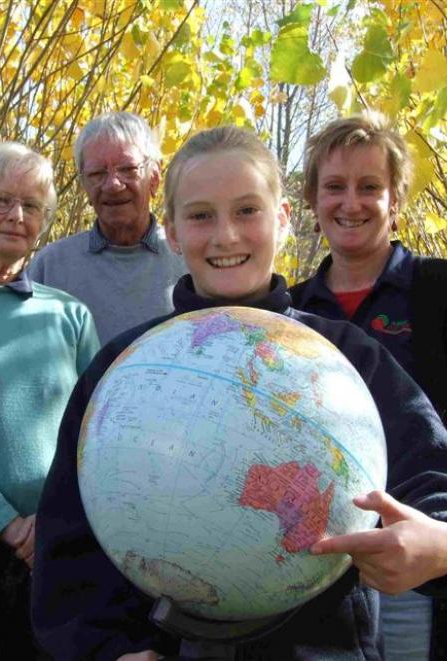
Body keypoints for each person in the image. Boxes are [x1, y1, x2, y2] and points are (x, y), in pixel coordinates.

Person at [32, 126, 447, 661]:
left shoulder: (346, 356)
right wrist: (108, 649)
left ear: (282, 220)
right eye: (201, 215)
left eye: (247, 210)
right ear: (174, 233)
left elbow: (430, 471)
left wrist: (437, 543)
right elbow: (68, 549)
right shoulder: (122, 369)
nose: (226, 236)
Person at [289, 110, 447, 661]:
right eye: (334, 187)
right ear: (312, 199)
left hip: (417, 569)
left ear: (395, 199)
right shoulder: (290, 311)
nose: (350, 203)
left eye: (369, 187)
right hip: (311, 565)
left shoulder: (436, 291)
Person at [0, 142, 100, 660]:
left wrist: (53, 524)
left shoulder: (71, 316)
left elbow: (97, 430)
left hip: (52, 546)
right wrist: (6, 525)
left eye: (31, 205)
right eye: (1, 201)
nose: (16, 216)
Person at [29, 111, 186, 345]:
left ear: (154, 176)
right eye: (97, 173)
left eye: (127, 169)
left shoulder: (189, 259)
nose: (113, 184)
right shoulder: (50, 267)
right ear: (84, 185)